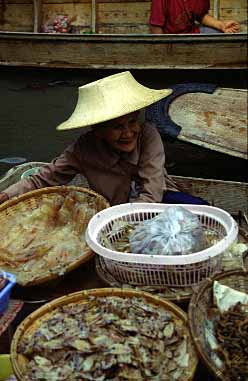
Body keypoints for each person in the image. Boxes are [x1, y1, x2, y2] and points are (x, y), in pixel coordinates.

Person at [0, 71, 207, 206]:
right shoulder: (82, 149)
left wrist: (129, 224)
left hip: (158, 200)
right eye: (117, 127)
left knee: (201, 210)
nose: (128, 133)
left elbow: (152, 191)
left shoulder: (148, 134)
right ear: (98, 131)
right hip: (112, 210)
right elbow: (43, 179)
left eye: (132, 122)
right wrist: (6, 195)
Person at [149, 0, 241, 34]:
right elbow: (156, 27)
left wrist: (221, 25)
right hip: (170, 40)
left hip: (192, 33)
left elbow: (201, 16)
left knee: (222, 35)